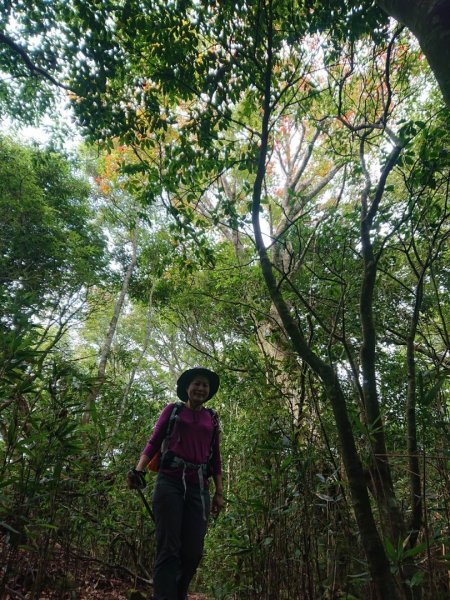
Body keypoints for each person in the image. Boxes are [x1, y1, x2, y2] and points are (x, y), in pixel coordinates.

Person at [128, 367, 224, 600]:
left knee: (193, 552)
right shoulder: (173, 410)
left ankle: (178, 594)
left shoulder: (211, 418)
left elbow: (216, 457)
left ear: (208, 391)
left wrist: (220, 492)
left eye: (205, 385)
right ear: (187, 388)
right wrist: (138, 470)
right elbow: (154, 441)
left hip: (198, 487)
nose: (201, 388)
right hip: (169, 481)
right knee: (168, 548)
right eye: (196, 384)